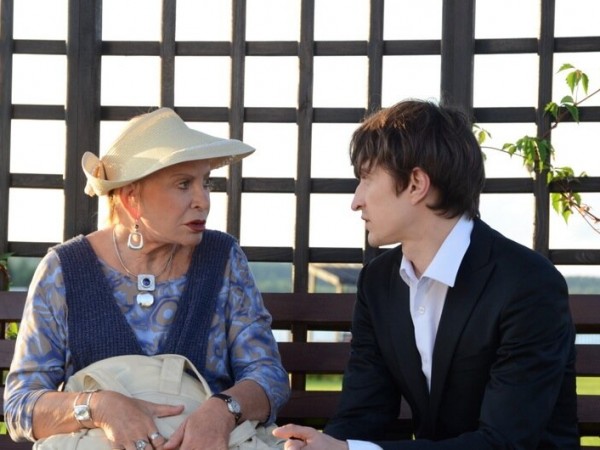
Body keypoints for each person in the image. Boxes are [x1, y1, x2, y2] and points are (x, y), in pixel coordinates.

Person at [273, 99, 578, 449]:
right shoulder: (379, 282)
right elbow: (363, 412)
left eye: (366, 179)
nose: (355, 201)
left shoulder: (527, 285)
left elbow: (503, 443)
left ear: (416, 184)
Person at [4, 107, 290, 450]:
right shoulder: (63, 270)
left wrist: (224, 410)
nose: (203, 201)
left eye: (205, 182)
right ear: (131, 198)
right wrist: (99, 407)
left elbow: (268, 376)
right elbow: (20, 406)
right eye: (183, 184)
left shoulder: (223, 258)